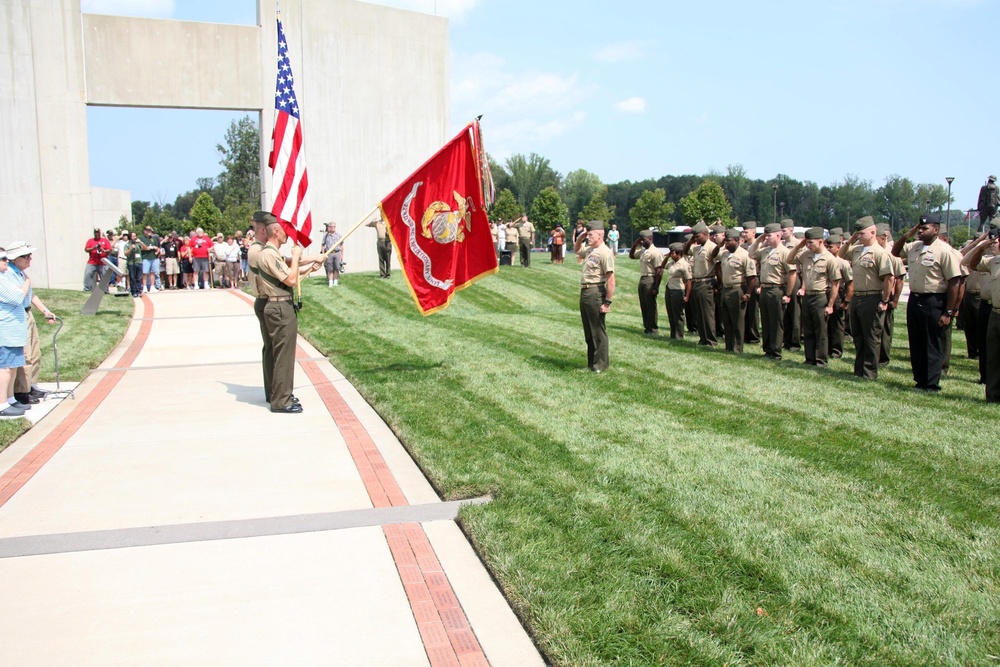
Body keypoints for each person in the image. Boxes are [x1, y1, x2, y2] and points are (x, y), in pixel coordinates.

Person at [891, 214, 962, 391]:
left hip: (934, 300)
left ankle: (931, 382)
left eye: (925, 229)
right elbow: (895, 251)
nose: (920, 232)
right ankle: (920, 379)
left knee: (933, 342)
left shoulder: (944, 251)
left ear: (936, 230)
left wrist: (948, 312)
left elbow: (954, 282)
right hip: (915, 299)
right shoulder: (914, 247)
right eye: (919, 228)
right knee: (917, 341)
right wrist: (908, 234)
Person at [255, 213, 303, 413]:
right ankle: (281, 401)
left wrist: (305, 265)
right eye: (285, 231)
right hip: (279, 307)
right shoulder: (268, 254)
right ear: (276, 231)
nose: (288, 235)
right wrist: (297, 258)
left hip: (280, 304)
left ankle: (280, 394)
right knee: (283, 355)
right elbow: (290, 280)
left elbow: (286, 277)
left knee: (280, 353)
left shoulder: (270, 253)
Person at [839, 216, 895, 380]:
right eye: (857, 233)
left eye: (862, 233)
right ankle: (859, 369)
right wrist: (851, 240)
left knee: (871, 337)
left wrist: (884, 300)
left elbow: (888, 278)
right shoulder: (856, 249)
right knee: (858, 336)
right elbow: (841, 254)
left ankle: (869, 372)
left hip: (872, 297)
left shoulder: (880, 253)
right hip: (857, 297)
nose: (859, 236)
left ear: (873, 232)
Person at [5, 242, 56, 406]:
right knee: (24, 355)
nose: (30, 258)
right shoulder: (9, 275)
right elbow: (20, 295)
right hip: (18, 315)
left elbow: (31, 295)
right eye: (26, 256)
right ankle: (21, 391)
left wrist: (45, 311)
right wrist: (27, 282)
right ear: (15, 259)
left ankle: (30, 385)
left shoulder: (20, 274)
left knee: (35, 352)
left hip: (28, 313)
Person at [788, 228, 840, 366]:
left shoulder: (829, 259)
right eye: (807, 243)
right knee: (808, 329)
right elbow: (790, 259)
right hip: (807, 296)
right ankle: (809, 358)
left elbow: (835, 283)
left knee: (821, 330)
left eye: (810, 242)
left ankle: (821, 359)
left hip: (820, 296)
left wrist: (830, 305)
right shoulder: (806, 255)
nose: (808, 245)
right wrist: (799, 245)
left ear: (821, 241)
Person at [748, 222, 797, 359]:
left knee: (776, 322)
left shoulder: (785, 253)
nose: (767, 238)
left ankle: (775, 351)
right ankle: (767, 349)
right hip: (764, 289)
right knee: (766, 321)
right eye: (766, 236)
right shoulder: (765, 251)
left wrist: (788, 294)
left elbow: (792, 274)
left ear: (778, 235)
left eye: (769, 236)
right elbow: (751, 253)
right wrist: (759, 239)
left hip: (777, 289)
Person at [962, 227, 1000, 401]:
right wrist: (980, 247)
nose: (996, 242)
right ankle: (993, 394)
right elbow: (970, 263)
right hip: (995, 313)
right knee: (992, 356)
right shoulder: (994, 262)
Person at [575, 220, 615, 372]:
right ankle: (592, 363)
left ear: (600, 235)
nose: (588, 237)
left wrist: (607, 302)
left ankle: (600, 365)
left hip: (595, 291)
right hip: (585, 290)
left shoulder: (605, 253)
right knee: (588, 330)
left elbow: (611, 280)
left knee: (598, 331)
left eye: (590, 234)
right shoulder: (591, 249)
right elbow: (578, 250)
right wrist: (581, 237)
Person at [712, 228, 757, 353]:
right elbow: (713, 254)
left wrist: (748, 293)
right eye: (725, 241)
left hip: (738, 289)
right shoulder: (725, 253)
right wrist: (720, 245)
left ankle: (737, 348)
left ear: (737, 241)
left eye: (728, 241)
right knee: (726, 320)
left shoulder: (745, 255)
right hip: (725, 289)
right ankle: (729, 346)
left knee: (737, 321)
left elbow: (752, 278)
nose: (726, 243)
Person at [0, 247, 31, 417]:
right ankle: (2, 403)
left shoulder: (4, 278)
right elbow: (18, 297)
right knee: (4, 368)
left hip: (12, 331)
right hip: (4, 331)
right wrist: (26, 283)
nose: (7, 262)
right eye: (3, 259)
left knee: (12, 367)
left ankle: (10, 398)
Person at [685, 221, 718, 346]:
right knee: (698, 312)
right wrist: (690, 241)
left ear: (705, 234)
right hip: (696, 282)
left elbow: (718, 265)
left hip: (706, 282)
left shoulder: (712, 247)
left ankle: (710, 339)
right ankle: (703, 338)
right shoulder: (697, 248)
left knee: (707, 313)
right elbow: (685, 250)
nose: (696, 239)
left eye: (697, 236)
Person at [824, 234, 854, 359]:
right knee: (825, 323)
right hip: (825, 292)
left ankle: (836, 350)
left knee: (837, 324)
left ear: (838, 247)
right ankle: (825, 348)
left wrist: (846, 300)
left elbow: (850, 283)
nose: (828, 249)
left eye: (830, 247)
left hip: (838, 293)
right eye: (826, 247)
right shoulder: (824, 260)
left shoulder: (843, 264)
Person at [629, 230, 663, 335]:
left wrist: (656, 287)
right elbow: (631, 256)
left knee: (650, 306)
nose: (642, 242)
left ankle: (653, 329)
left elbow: (659, 271)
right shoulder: (643, 251)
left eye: (643, 240)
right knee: (644, 305)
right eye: (641, 240)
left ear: (650, 239)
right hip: (643, 278)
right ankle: (647, 327)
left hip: (650, 278)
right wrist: (634, 245)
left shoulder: (655, 252)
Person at [660, 242, 692, 340]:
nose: (671, 255)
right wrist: (667, 257)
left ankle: (679, 335)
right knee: (671, 313)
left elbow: (689, 280)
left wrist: (687, 296)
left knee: (678, 314)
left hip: (678, 290)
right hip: (669, 288)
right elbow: (662, 266)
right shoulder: (672, 263)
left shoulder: (684, 264)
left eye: (672, 253)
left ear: (679, 253)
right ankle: (673, 334)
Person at [741, 221, 761, 344]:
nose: (744, 234)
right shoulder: (742, 247)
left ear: (753, 232)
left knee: (753, 309)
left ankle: (753, 336)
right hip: (744, 279)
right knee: (745, 308)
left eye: (746, 232)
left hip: (755, 278)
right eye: (743, 232)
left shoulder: (759, 246)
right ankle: (745, 333)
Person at [83, 227, 111, 292]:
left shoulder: (105, 241)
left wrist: (103, 250)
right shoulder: (90, 241)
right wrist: (94, 248)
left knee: (104, 276)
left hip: (102, 262)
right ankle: (87, 289)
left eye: (98, 233)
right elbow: (86, 249)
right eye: (96, 233)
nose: (97, 234)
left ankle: (105, 290)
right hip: (92, 262)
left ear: (100, 233)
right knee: (88, 274)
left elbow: (109, 250)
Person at [321, 222, 344, 286]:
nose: (332, 228)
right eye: (331, 227)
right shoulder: (326, 235)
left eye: (334, 226)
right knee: (330, 269)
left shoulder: (338, 235)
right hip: (329, 253)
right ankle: (330, 282)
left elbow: (341, 246)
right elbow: (323, 245)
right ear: (328, 227)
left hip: (337, 253)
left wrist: (342, 255)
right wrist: (323, 255)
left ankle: (335, 282)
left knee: (337, 268)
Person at [125, 231, 143, 297]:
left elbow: (145, 248)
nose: (135, 237)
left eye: (135, 236)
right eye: (133, 236)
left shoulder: (138, 244)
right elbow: (126, 254)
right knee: (132, 278)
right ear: (130, 237)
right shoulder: (127, 245)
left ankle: (138, 291)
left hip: (139, 262)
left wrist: (140, 242)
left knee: (139, 278)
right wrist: (131, 249)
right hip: (131, 263)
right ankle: (133, 291)